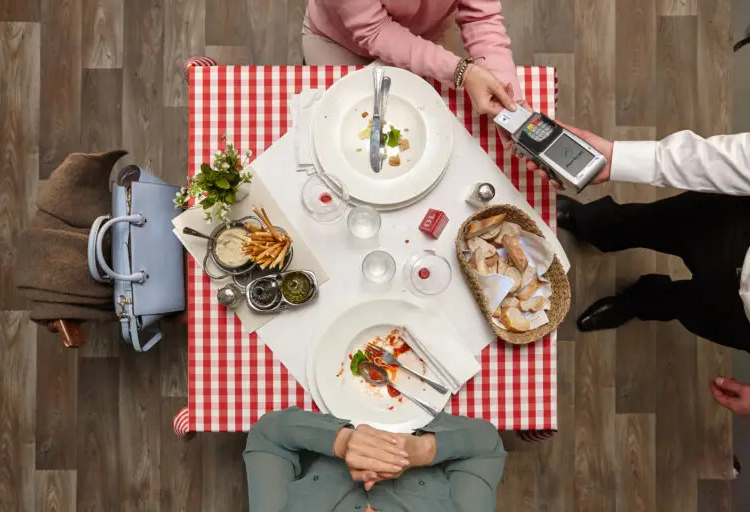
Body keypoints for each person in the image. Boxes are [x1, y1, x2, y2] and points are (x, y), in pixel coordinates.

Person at [524, 125, 750, 415]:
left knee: (686, 308)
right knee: (650, 222)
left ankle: (638, 301)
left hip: (741, 321)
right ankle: (591, 224)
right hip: (735, 227)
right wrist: (617, 158)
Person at [243, 406, 506, 511]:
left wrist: (342, 442)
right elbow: (486, 446)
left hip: (320, 404)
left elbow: (267, 435)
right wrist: (420, 450)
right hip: (430, 406)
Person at [302, 0, 524, 122]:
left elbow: (482, 17)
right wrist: (461, 71)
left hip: (426, 36)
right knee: (337, 124)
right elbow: (375, 31)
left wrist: (507, 98)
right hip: (339, 41)